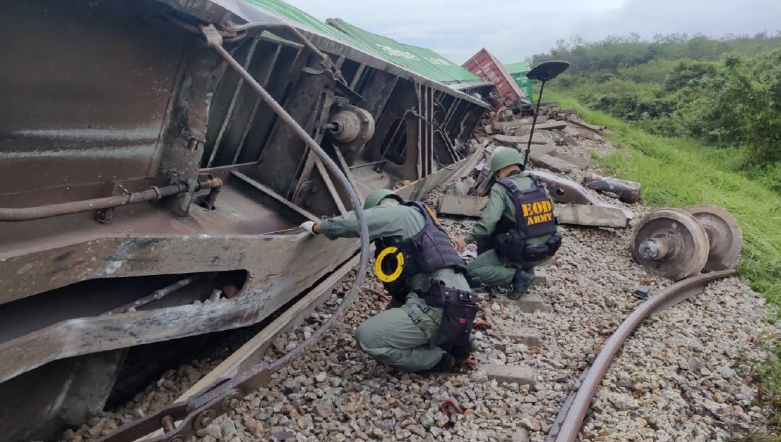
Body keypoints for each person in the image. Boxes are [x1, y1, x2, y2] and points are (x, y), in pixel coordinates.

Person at [300, 189, 477, 373]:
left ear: (380, 207)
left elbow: (359, 221)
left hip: (436, 307)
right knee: (391, 314)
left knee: (367, 337)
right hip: (459, 304)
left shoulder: (397, 213)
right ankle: (456, 339)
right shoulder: (424, 221)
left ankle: (439, 358)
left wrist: (319, 227)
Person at [456, 148, 561, 299]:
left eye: (498, 173)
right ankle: (526, 269)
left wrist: (465, 240)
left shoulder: (502, 188)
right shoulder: (538, 183)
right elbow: (551, 213)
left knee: (470, 271)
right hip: (546, 250)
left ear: (503, 170)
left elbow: (488, 222)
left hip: (521, 251)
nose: (498, 176)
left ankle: (517, 276)